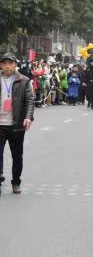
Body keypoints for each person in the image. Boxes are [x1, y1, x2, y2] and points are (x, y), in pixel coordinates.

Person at [0, 53, 35, 196]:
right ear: (1, 65)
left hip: (16, 125)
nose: (7, 66)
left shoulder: (24, 81)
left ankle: (16, 182)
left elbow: (30, 101)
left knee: (17, 156)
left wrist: (28, 117)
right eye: (5, 63)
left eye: (10, 63)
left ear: (15, 65)